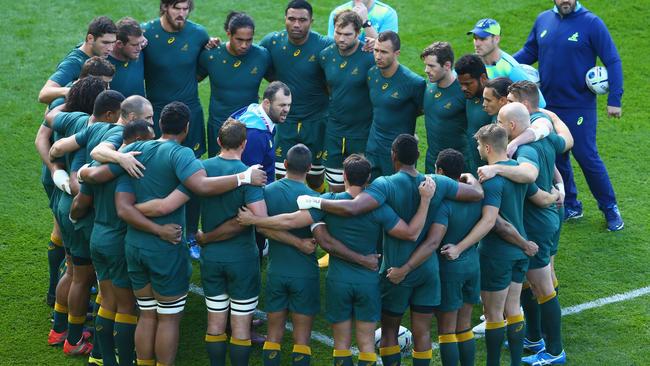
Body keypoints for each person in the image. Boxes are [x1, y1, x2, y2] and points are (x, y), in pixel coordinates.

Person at [78, 102, 267, 365]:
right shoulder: (182, 156)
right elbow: (196, 188)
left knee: (146, 313)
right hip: (165, 249)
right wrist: (243, 178)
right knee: (167, 317)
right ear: (187, 128)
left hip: (134, 246)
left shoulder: (134, 150)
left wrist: (82, 171)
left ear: (161, 125)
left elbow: (114, 198)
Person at [297, 134, 484, 366]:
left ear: (393, 155)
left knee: (389, 333)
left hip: (395, 271)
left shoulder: (384, 184)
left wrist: (315, 201)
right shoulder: (436, 181)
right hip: (428, 269)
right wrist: (470, 177)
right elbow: (477, 194)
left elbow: (354, 208)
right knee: (423, 333)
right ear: (418, 157)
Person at [239, 152, 435, 366]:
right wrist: (425, 201)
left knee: (340, 346)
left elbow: (291, 222)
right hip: (367, 282)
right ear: (368, 178)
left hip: (338, 281)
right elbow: (408, 233)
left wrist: (256, 220)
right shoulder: (379, 207)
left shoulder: (329, 202)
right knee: (367, 346)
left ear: (344, 176)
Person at [449, 113, 558, 366]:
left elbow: (491, 222)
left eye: (478, 145)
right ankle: (517, 362)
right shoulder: (516, 170)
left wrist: (460, 247)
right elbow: (540, 197)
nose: (477, 149)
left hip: (497, 254)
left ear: (487, 147)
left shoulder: (491, 180)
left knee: (493, 313)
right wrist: (556, 194)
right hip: (520, 257)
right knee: (512, 310)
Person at [514, 0, 624, 231]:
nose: (565, 0)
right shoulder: (543, 20)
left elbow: (612, 59)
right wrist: (501, 62)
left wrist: (614, 98)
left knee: (586, 156)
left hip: (579, 106)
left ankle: (610, 207)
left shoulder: (591, 23)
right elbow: (529, 52)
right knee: (558, 155)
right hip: (548, 104)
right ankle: (572, 204)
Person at [69, 119, 155, 366]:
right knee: (126, 307)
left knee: (106, 301)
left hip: (98, 237)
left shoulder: (100, 164)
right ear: (138, 141)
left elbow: (81, 201)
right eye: (150, 139)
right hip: (118, 241)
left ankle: (102, 358)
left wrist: (74, 217)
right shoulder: (134, 165)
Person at [43, 76, 109, 356]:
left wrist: (68, 95)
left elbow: (50, 119)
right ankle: (74, 339)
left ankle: (59, 329)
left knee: (71, 270)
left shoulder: (68, 118)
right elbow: (78, 181)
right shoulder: (92, 128)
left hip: (61, 203)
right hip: (78, 207)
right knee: (83, 276)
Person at [141, 0, 211, 250]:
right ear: (164, 8)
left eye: (185, 8)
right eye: (176, 8)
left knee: (192, 173)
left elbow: (202, 70)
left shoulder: (198, 34)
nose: (182, 14)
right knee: (156, 172)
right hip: (157, 113)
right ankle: (153, 225)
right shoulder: (145, 34)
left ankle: (191, 232)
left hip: (189, 112)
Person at [260, 0, 333, 192]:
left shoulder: (325, 46)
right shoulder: (272, 42)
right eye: (291, 19)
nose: (296, 24)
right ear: (285, 19)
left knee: (315, 178)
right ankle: (287, 215)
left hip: (316, 122)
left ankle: (315, 214)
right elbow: (253, 60)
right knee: (281, 176)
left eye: (302, 20)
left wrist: (369, 44)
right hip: (285, 124)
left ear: (311, 21)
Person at [198, 11, 271, 158]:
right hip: (219, 126)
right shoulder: (211, 55)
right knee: (218, 173)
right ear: (228, 34)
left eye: (249, 40)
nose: (245, 45)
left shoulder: (262, 56)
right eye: (239, 40)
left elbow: (276, 82)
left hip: (250, 127)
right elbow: (193, 78)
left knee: (248, 172)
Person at [319, 10, 375, 193]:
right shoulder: (326, 56)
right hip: (334, 131)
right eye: (338, 33)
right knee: (335, 187)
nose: (341, 38)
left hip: (361, 132)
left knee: (360, 189)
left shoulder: (370, 56)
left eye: (347, 34)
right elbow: (328, 87)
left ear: (358, 34)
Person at [366, 31, 425, 179]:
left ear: (397, 53)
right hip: (373, 148)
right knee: (372, 195)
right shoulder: (372, 74)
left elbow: (423, 109)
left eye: (384, 52)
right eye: (376, 50)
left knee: (397, 198)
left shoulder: (414, 82)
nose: (378, 56)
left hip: (398, 155)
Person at [467, 18, 546, 108]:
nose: (477, 43)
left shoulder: (510, 68)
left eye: (482, 39)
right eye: (475, 38)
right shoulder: (473, 63)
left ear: (496, 39)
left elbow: (539, 103)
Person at [39, 16, 117, 104]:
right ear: (90, 39)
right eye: (105, 43)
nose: (110, 49)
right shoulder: (73, 63)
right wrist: (74, 90)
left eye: (113, 43)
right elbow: (44, 94)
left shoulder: (97, 51)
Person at [230, 81, 291, 182]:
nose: (287, 110)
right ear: (267, 103)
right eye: (282, 105)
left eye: (289, 105)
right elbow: (250, 178)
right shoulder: (256, 135)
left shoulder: (255, 111)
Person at [421, 42, 467, 174]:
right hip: (431, 162)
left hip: (457, 165)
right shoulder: (428, 86)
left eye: (431, 66)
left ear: (447, 65)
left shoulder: (464, 91)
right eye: (426, 65)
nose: (426, 70)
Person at [454, 54, 492, 176]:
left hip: (491, 172)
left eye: (468, 83)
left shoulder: (496, 100)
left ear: (483, 78)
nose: (463, 88)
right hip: (474, 168)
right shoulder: (470, 96)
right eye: (461, 84)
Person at [108, 17, 146, 97]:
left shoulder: (139, 52)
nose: (139, 48)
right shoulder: (105, 63)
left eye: (141, 43)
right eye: (134, 45)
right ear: (119, 44)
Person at [327, 0, 398, 40]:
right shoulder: (338, 13)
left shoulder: (387, 14)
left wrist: (365, 22)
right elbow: (333, 45)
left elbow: (386, 49)